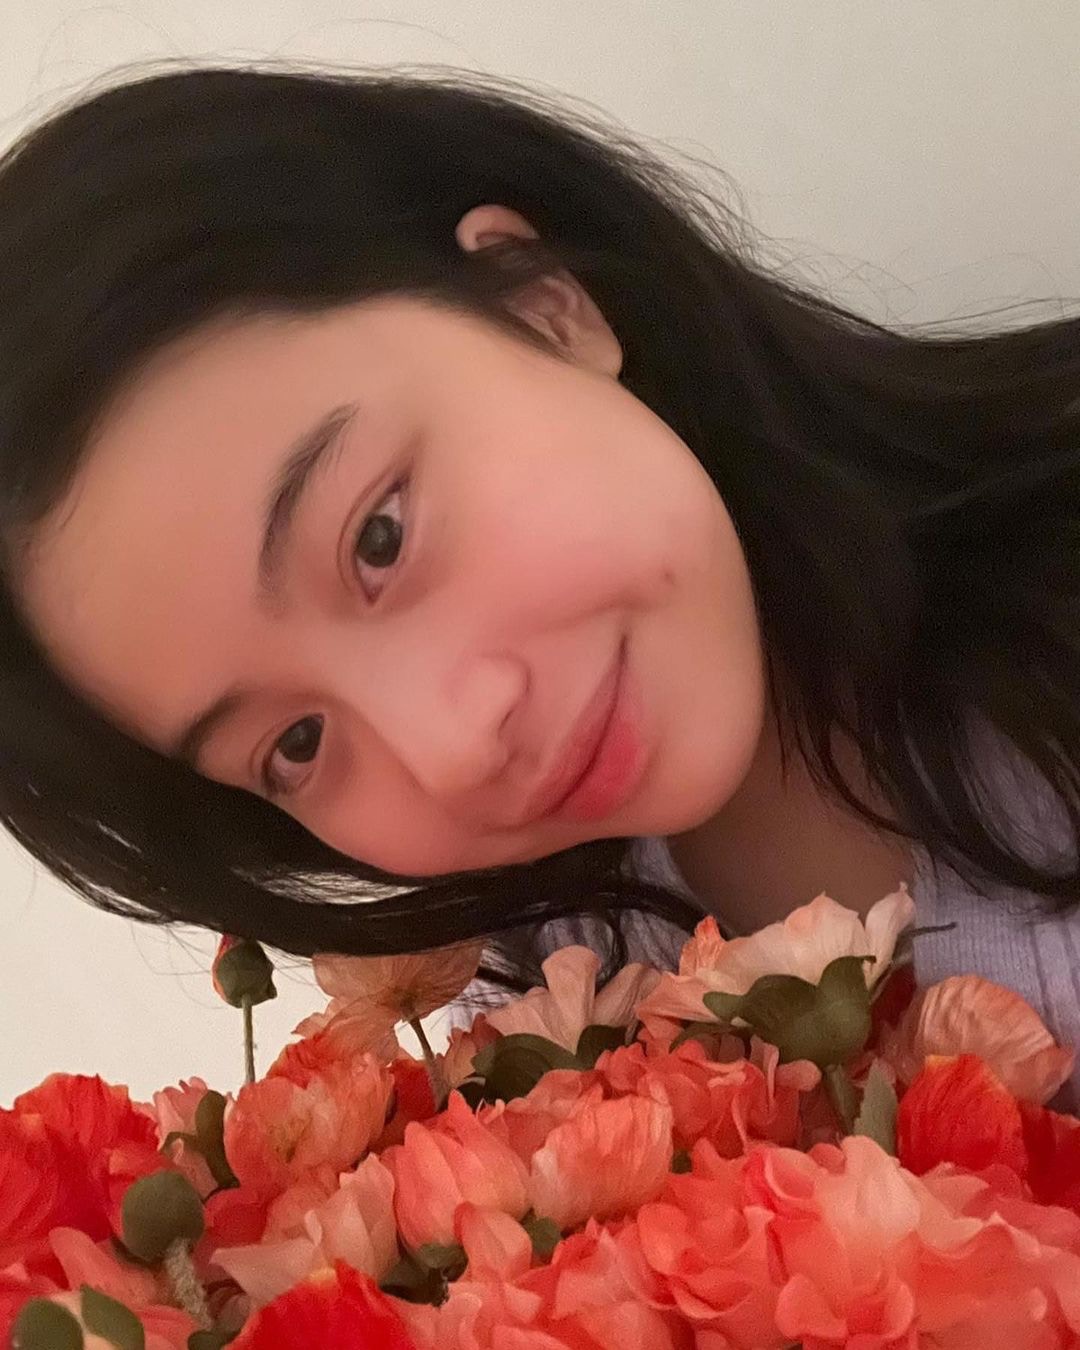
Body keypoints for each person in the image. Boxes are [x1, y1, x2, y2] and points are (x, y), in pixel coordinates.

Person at [1, 65, 1078, 1101]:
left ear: (544, 305)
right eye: (296, 744)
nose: (452, 749)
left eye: (379, 537)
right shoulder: (547, 1035)